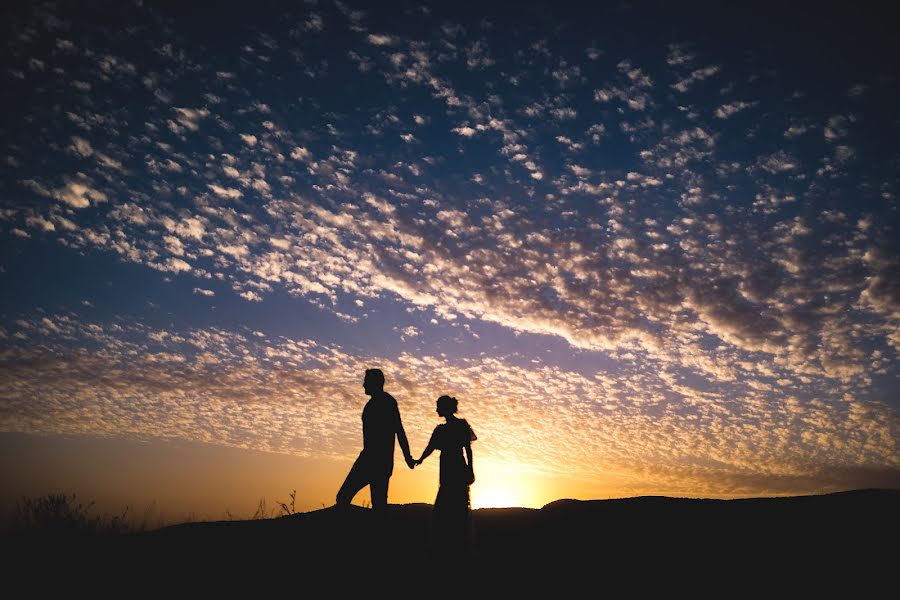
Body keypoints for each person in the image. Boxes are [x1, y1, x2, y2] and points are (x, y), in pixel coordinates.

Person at [336, 368, 415, 509]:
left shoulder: (388, 402)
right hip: (368, 459)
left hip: (380, 462)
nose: (363, 385)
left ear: (375, 383)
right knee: (344, 497)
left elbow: (399, 430)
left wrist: (407, 457)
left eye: (366, 382)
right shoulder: (370, 405)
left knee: (377, 504)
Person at [415, 395, 477, 558]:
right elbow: (430, 447)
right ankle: (448, 542)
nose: (436, 410)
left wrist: (471, 470)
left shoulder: (460, 426)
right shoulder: (440, 430)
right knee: (447, 502)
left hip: (456, 467)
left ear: (445, 408)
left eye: (438, 406)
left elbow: (468, 450)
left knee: (456, 503)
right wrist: (420, 459)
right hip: (448, 468)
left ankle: (457, 544)